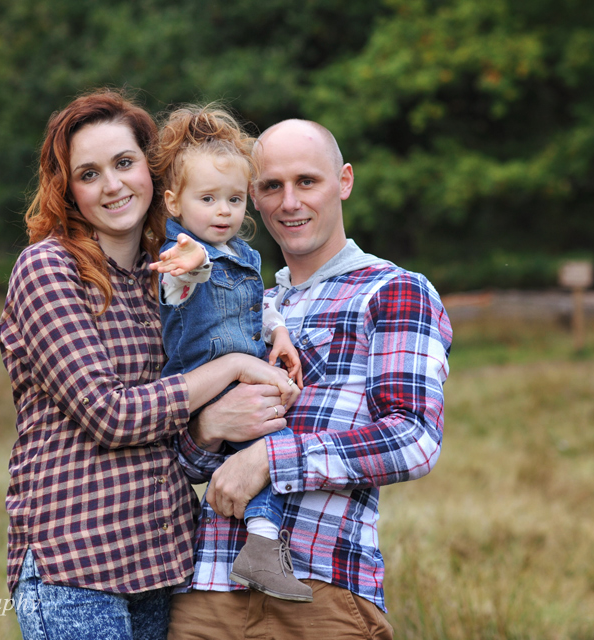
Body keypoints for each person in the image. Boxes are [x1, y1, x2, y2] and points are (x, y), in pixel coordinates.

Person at [0, 90, 299, 640]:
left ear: (151, 174)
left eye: (124, 163)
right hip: (76, 568)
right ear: (69, 189)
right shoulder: (48, 269)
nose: (112, 185)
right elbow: (109, 414)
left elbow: (175, 440)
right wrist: (234, 364)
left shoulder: (167, 277)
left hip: (162, 564)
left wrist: (212, 426)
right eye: (89, 173)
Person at [167, 119, 453, 640]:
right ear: (253, 195)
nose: (289, 202)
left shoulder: (392, 291)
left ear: (343, 181)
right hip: (205, 590)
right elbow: (180, 461)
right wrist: (208, 429)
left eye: (307, 182)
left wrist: (269, 459)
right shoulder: (247, 304)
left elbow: (413, 440)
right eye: (272, 186)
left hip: (320, 590)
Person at [147, 105, 311, 603]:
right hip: (202, 383)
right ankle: (262, 548)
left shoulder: (245, 254)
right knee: (262, 437)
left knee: (267, 440)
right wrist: (192, 262)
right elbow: (178, 289)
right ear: (174, 203)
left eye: (235, 199)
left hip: (248, 373)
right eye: (208, 199)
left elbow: (255, 301)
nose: (224, 211)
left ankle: (261, 548)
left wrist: (278, 331)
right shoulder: (179, 253)